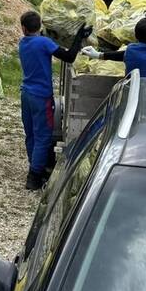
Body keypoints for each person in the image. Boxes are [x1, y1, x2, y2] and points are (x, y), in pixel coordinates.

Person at [18, 11, 91, 191]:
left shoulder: (23, 42)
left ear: (23, 28)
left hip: (26, 94)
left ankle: (36, 166)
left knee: (32, 134)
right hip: (42, 96)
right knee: (43, 135)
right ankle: (34, 177)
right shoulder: (44, 43)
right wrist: (79, 37)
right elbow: (69, 57)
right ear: (40, 26)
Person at [82, 16, 146, 77]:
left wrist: (97, 55)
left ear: (136, 36)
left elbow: (120, 55)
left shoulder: (132, 50)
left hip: (135, 95)